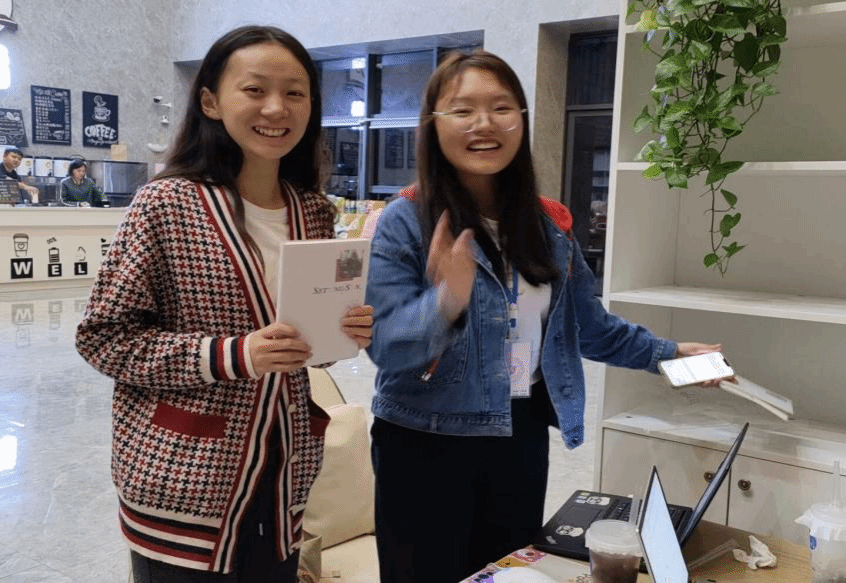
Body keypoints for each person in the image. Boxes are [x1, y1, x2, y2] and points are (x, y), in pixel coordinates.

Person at [364, 49, 721, 583]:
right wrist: (446, 300)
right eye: (462, 110)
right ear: (433, 125)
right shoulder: (406, 221)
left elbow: (589, 327)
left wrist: (670, 355)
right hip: (426, 441)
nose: (484, 123)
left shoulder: (547, 225)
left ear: (521, 119)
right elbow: (387, 347)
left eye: (500, 107)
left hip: (520, 437)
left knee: (510, 575)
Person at [75, 25, 373, 583]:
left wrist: (339, 332)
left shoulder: (313, 212)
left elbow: (299, 347)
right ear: (211, 101)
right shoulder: (165, 204)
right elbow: (104, 338)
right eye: (254, 89)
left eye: (295, 92)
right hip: (184, 479)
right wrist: (235, 355)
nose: (276, 108)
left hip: (283, 478)